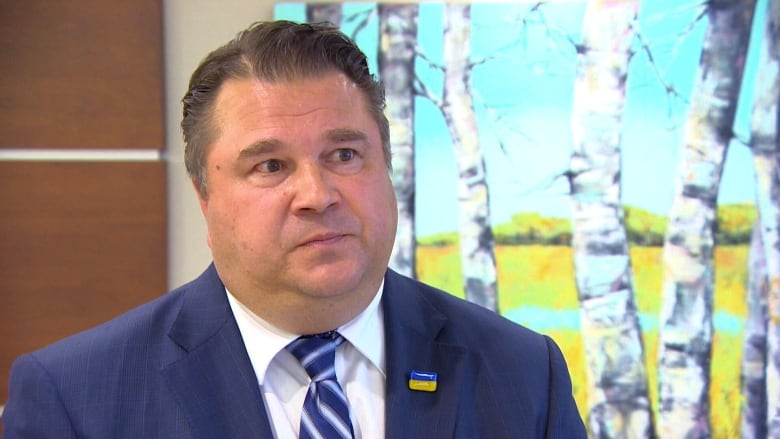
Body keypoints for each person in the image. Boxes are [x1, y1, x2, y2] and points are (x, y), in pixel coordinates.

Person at [2, 20, 586, 438]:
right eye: (271, 166)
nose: (317, 195)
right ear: (206, 199)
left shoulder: (524, 372)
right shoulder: (76, 398)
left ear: (386, 169)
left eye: (345, 155)